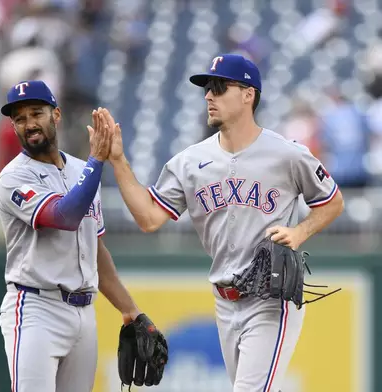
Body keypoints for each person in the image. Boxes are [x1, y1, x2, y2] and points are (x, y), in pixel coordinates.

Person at [104, 54, 344, 391]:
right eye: (207, 89)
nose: (208, 96)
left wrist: (299, 231)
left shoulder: (287, 154)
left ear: (248, 94)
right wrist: (118, 161)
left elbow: (333, 201)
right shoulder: (189, 162)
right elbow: (148, 218)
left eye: (218, 87)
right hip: (224, 301)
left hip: (270, 299)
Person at [0, 80, 166, 391]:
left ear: (56, 115)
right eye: (19, 118)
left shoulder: (79, 170)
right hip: (36, 308)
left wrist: (130, 309)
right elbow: (64, 216)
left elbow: (96, 251)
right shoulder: (13, 178)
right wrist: (98, 160)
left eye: (36, 113)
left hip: (83, 312)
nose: (30, 124)